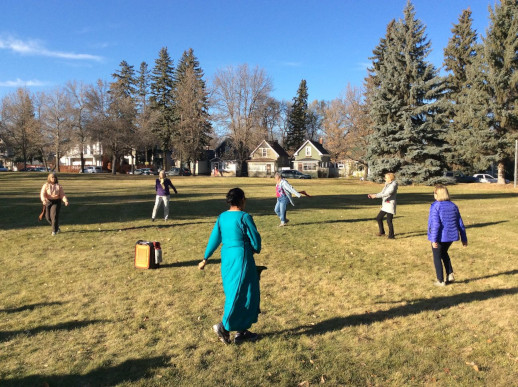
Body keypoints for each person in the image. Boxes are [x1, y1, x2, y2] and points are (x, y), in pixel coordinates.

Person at [198, 188, 262, 344]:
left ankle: (242, 331)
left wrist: (205, 257)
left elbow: (214, 238)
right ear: (242, 200)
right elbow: (256, 241)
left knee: (241, 292)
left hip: (226, 257)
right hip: (241, 258)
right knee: (239, 294)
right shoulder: (244, 217)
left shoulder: (222, 217)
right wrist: (254, 248)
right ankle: (224, 327)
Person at [428, 184, 468, 286]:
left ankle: (440, 280)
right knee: (444, 253)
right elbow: (460, 223)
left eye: (434, 193)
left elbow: (436, 224)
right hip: (451, 237)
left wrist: (433, 240)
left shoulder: (435, 206)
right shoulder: (453, 205)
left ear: (437, 194)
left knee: (437, 256)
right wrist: (464, 238)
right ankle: (450, 274)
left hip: (439, 236)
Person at [368, 172, 398, 239]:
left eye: (386, 177)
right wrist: (374, 194)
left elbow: (387, 194)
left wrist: (375, 196)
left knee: (389, 221)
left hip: (390, 204)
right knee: (379, 218)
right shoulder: (387, 184)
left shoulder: (393, 184)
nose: (385, 178)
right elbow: (382, 193)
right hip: (385, 205)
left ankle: (391, 236)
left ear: (390, 178)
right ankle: (382, 232)